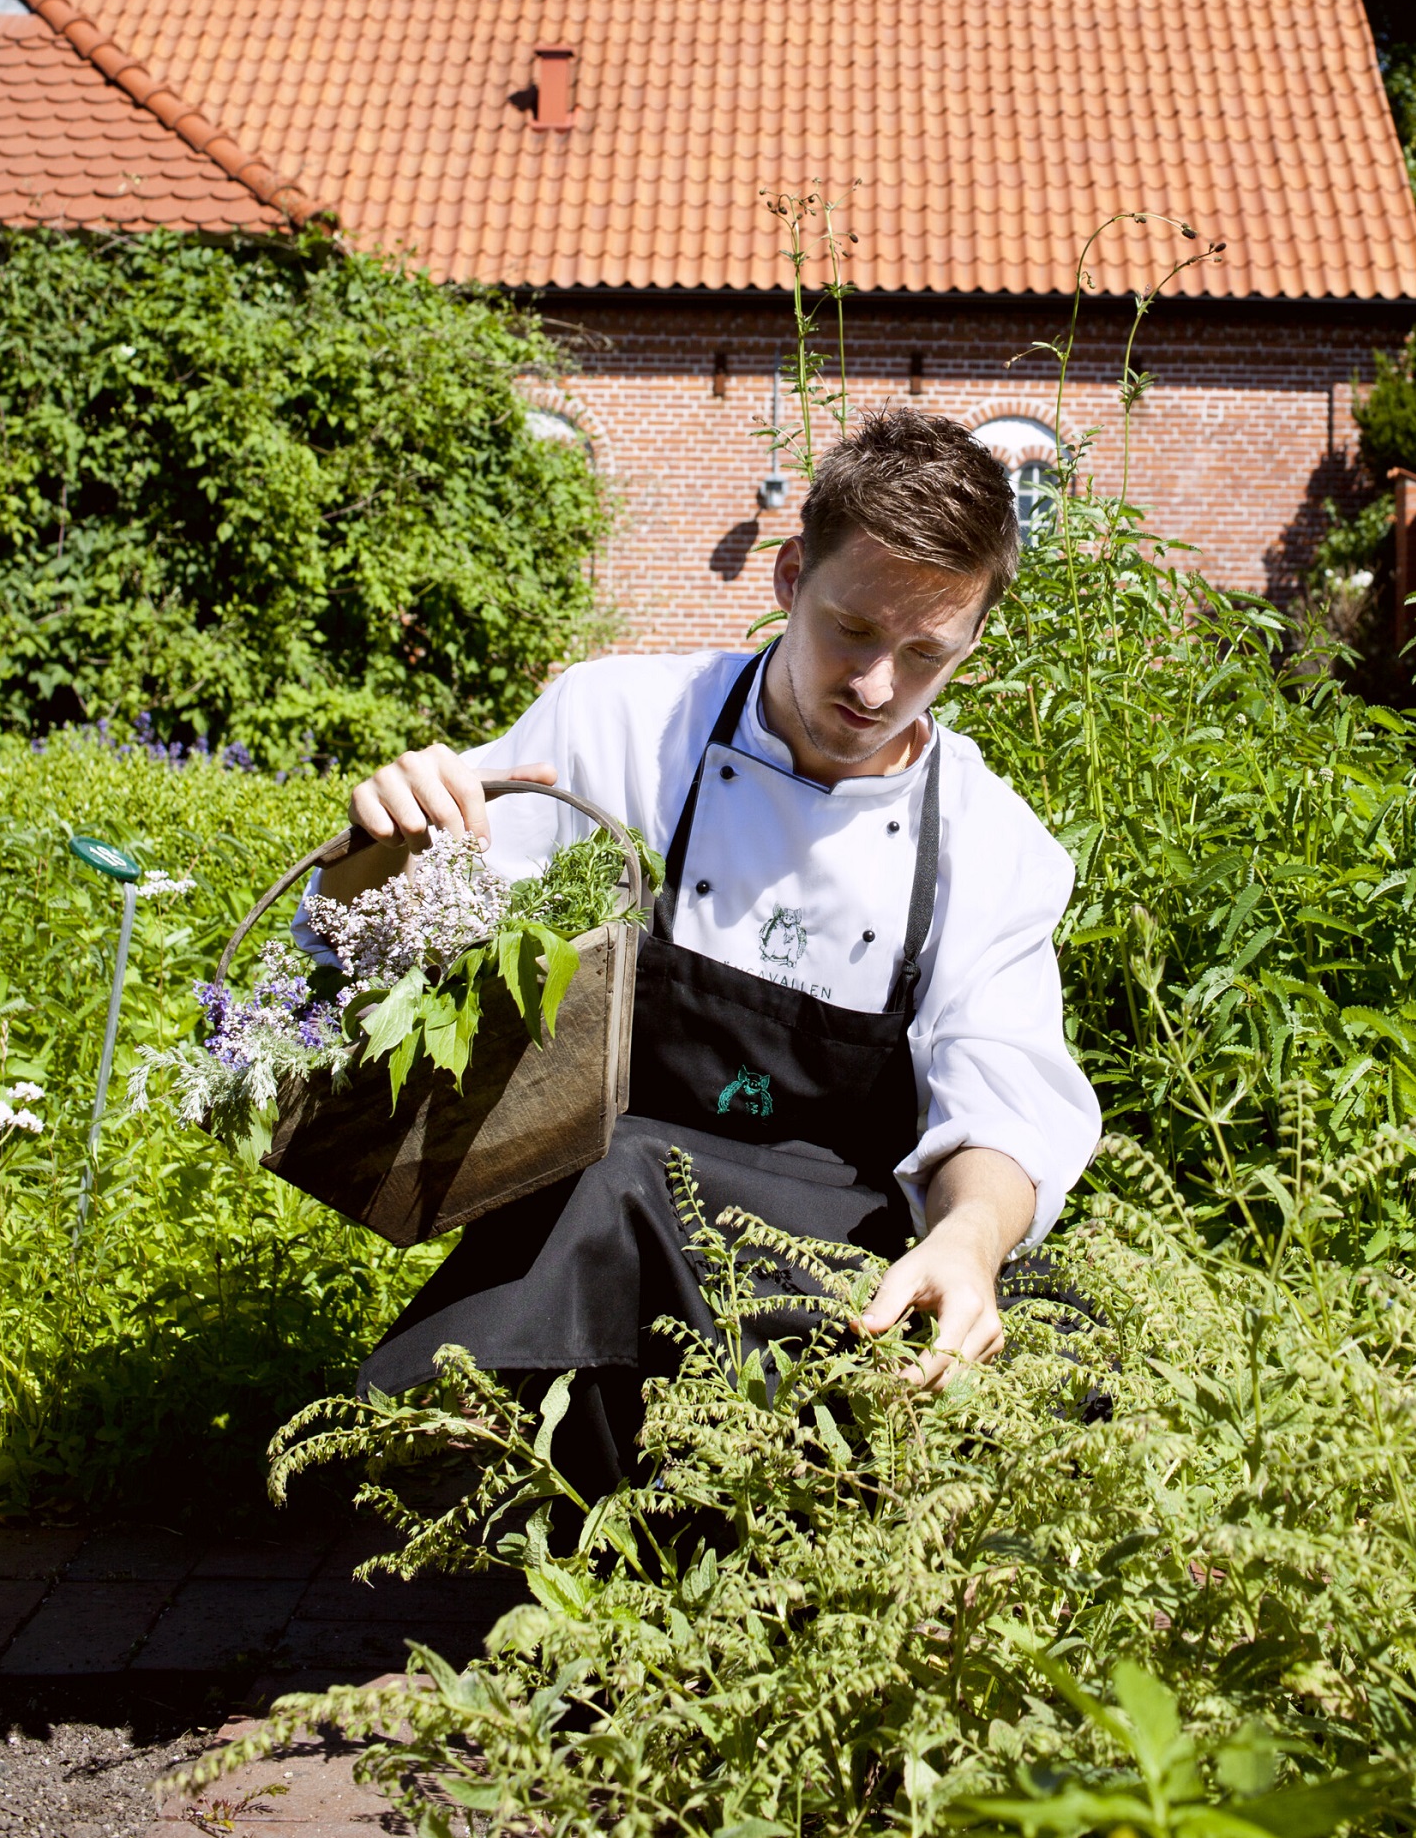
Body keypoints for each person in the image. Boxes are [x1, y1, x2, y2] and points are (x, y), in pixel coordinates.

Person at [317, 407, 1100, 1493]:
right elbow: (417, 935)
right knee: (617, 1178)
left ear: (970, 641)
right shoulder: (622, 724)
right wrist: (391, 846)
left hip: (830, 1253)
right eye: (853, 630)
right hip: (589, 1210)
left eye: (925, 654)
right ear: (787, 579)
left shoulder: (989, 841)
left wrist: (968, 1239)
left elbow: (1000, 1095)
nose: (875, 687)